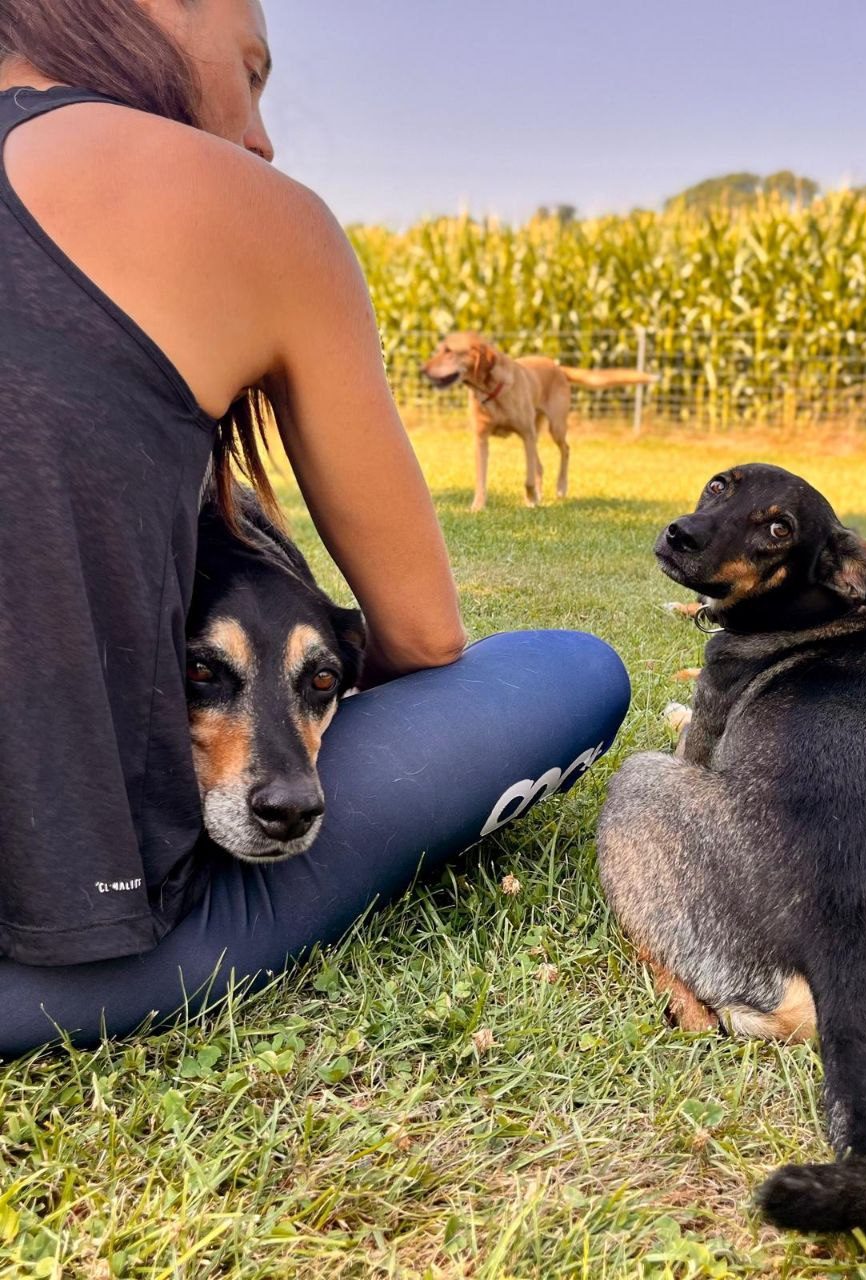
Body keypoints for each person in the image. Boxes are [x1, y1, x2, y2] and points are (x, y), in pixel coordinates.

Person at [0, 0, 629, 1057]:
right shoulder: (253, 208)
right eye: (251, 70)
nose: (259, 134)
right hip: (69, 959)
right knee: (577, 670)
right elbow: (425, 637)